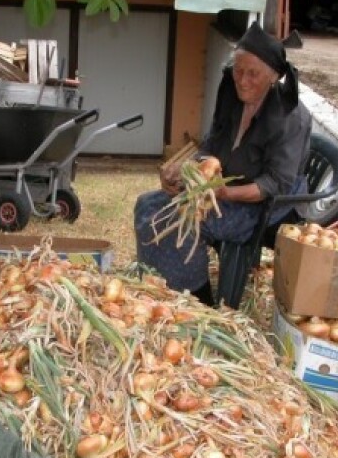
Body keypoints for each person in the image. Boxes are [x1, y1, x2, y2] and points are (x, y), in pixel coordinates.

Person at [133, 21, 313, 306]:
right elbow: (212, 145)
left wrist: (223, 193)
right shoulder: (231, 94)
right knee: (147, 205)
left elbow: (275, 183)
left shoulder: (290, 117)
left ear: (274, 76)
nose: (242, 80)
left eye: (253, 74)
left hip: (265, 205)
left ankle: (196, 299)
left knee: (185, 220)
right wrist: (189, 172)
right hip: (221, 189)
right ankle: (159, 287)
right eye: (239, 70)